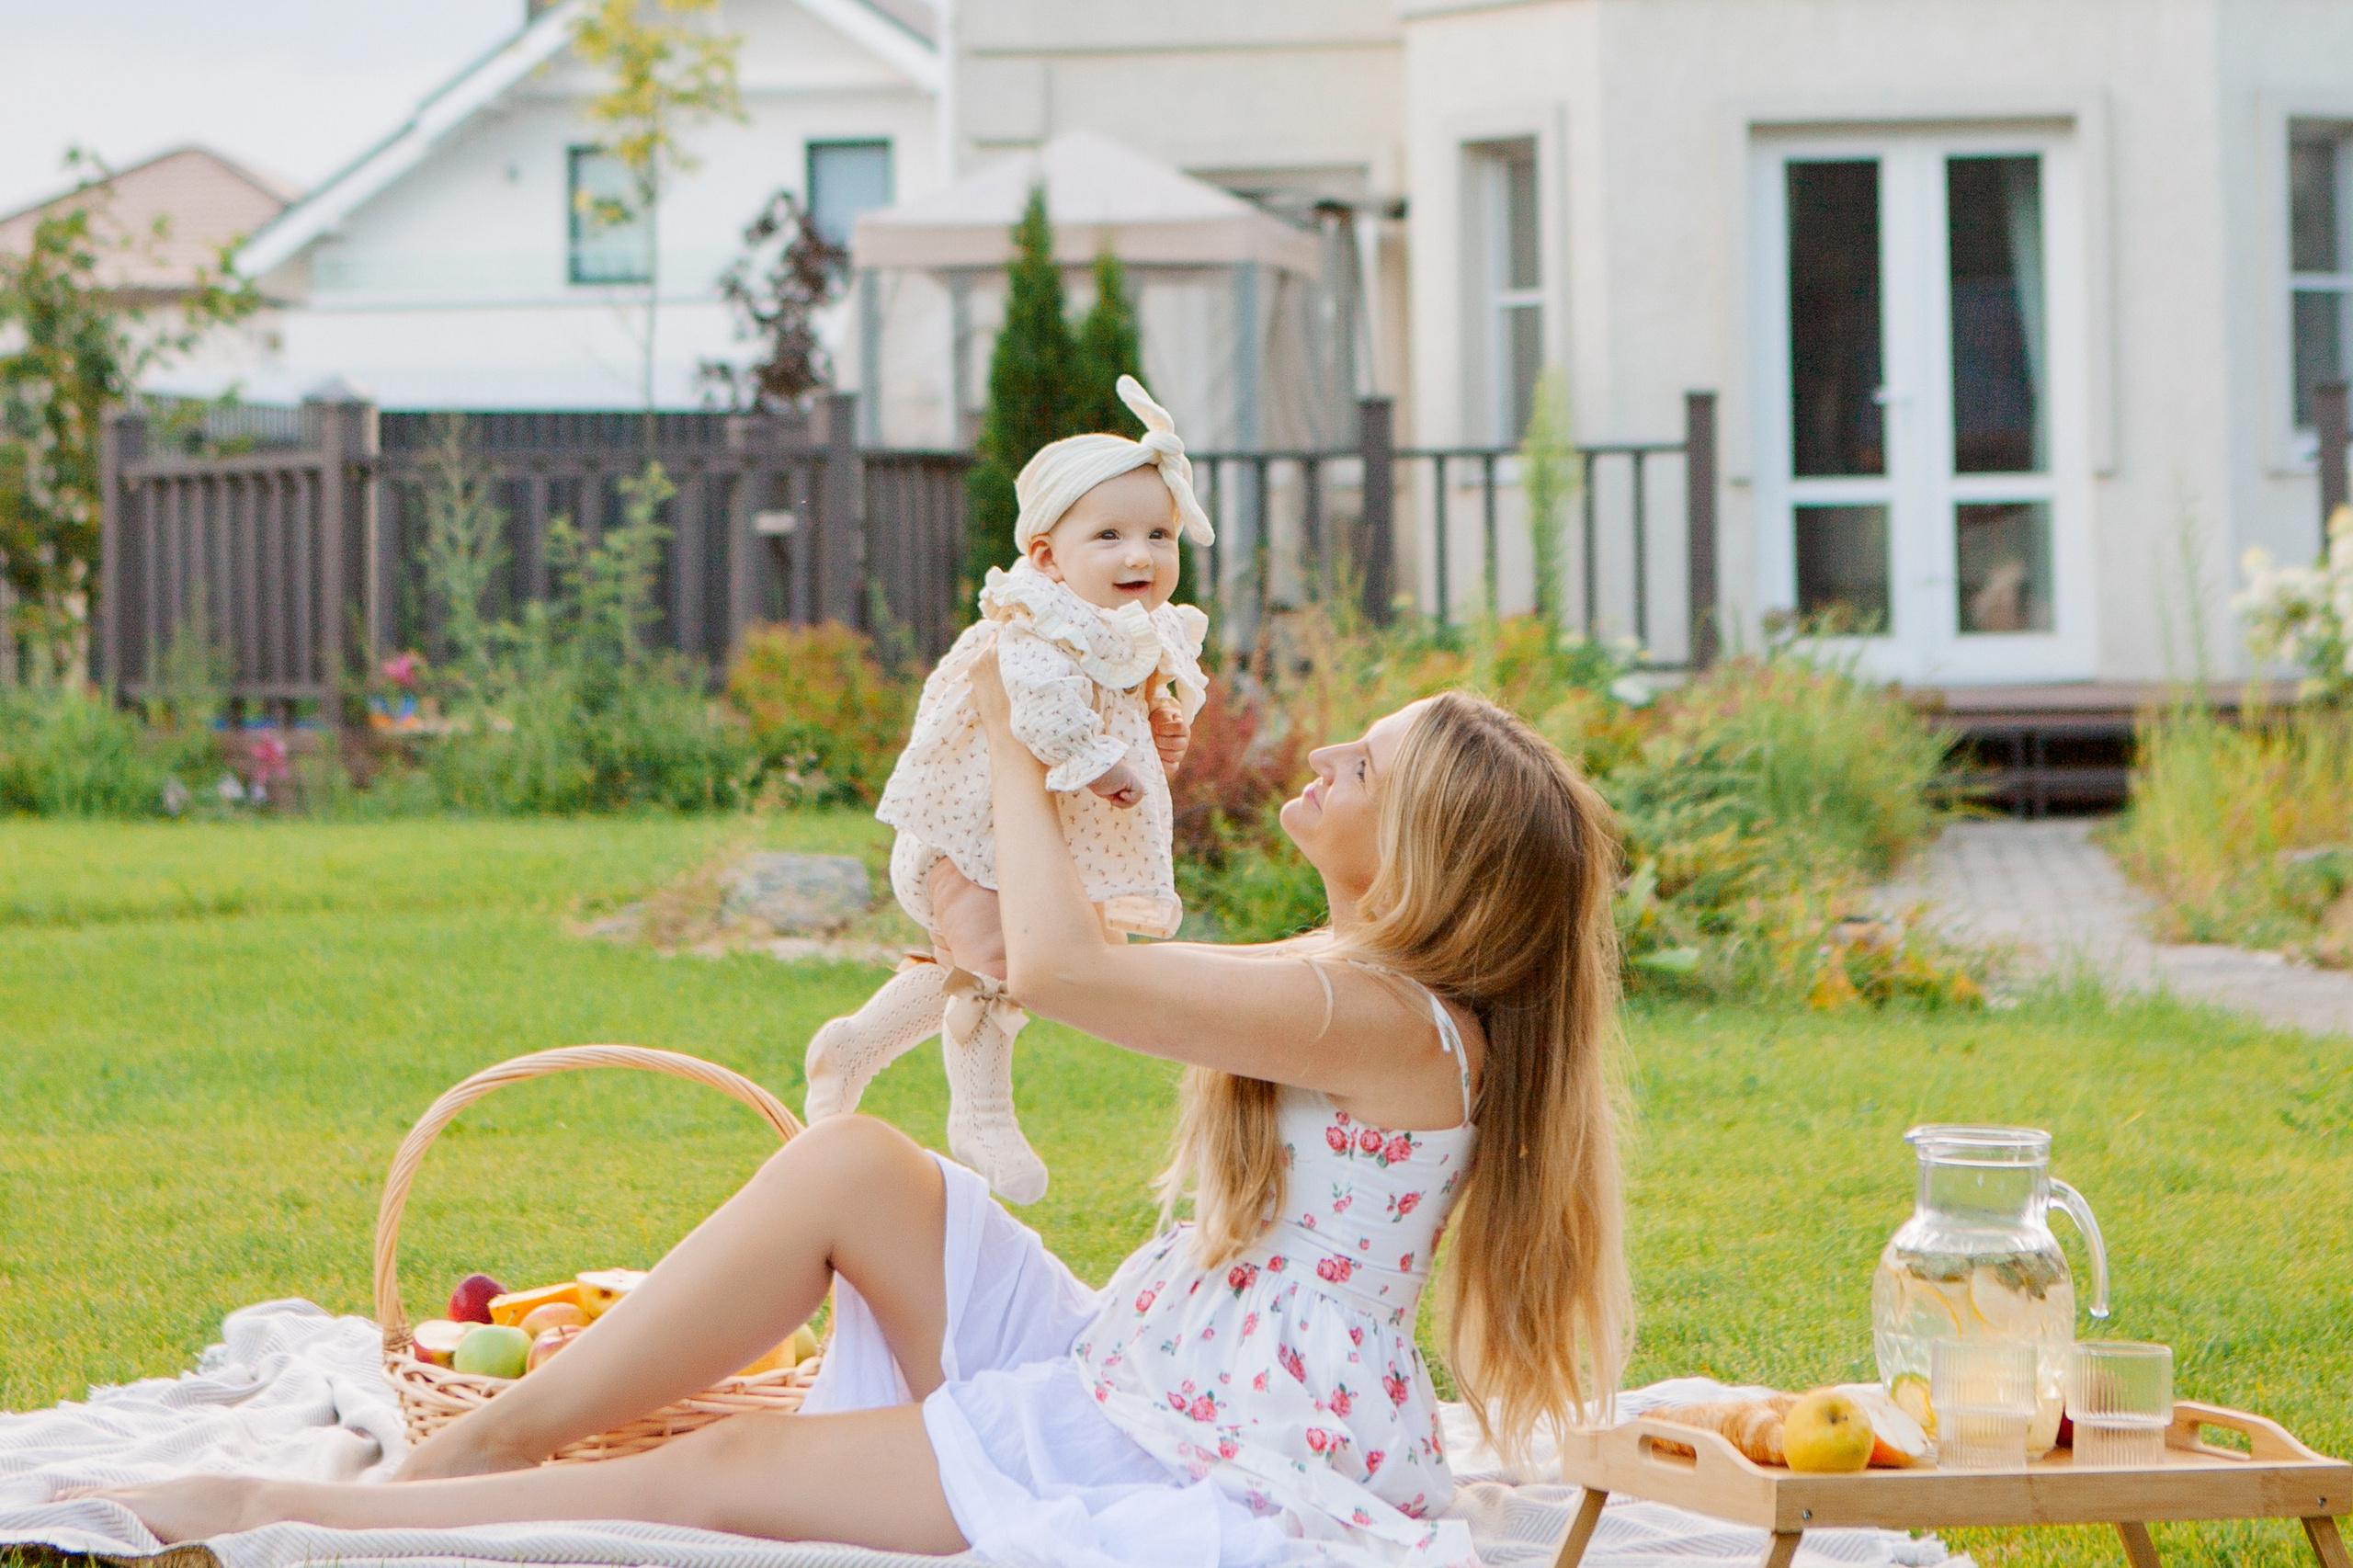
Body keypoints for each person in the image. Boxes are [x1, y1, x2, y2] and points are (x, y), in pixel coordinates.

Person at [101, 679, 1631, 1568]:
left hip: (1205, 1454)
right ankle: (492, 1436)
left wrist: (1021, 739)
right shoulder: (1344, 981)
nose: (1327, 758)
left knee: (702, 1493)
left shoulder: (1376, 1020)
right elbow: (1016, 952)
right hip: (1158, 1366)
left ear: (1425, 848)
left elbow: (1065, 969)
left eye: (1369, 765)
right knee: (850, 1164)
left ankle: (285, 1516)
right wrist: (1036, 783)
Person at [805, 372, 1211, 1204]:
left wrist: (1158, 728)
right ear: (1045, 556)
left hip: (1036, 841)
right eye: (1110, 536)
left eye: (1160, 535)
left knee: (994, 963)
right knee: (1006, 965)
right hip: (971, 833)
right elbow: (1043, 712)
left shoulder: (1130, 634)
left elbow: (1131, 715)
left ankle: (851, 1048)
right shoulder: (1033, 623)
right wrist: (1099, 762)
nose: (1140, 555)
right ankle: (981, 1114)